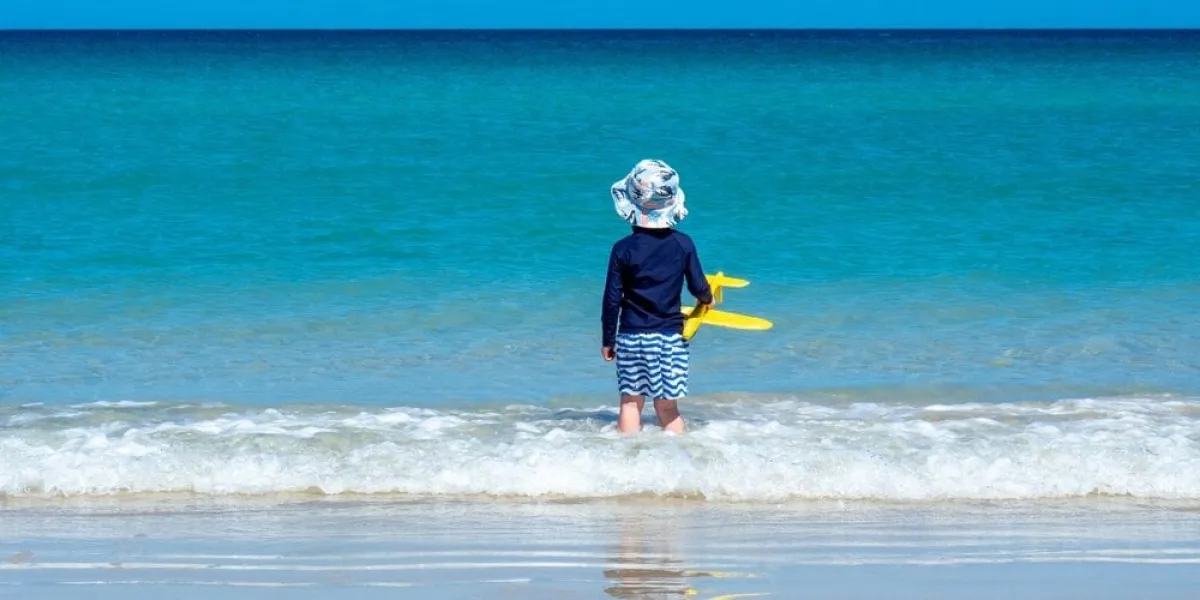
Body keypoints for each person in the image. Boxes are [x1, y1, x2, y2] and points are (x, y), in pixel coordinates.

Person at [601, 159, 714, 434]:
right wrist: (708, 298)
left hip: (630, 337)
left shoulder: (622, 249)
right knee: (666, 408)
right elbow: (697, 285)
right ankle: (675, 465)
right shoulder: (683, 244)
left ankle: (628, 462)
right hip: (668, 339)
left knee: (630, 404)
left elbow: (612, 299)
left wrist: (608, 340)